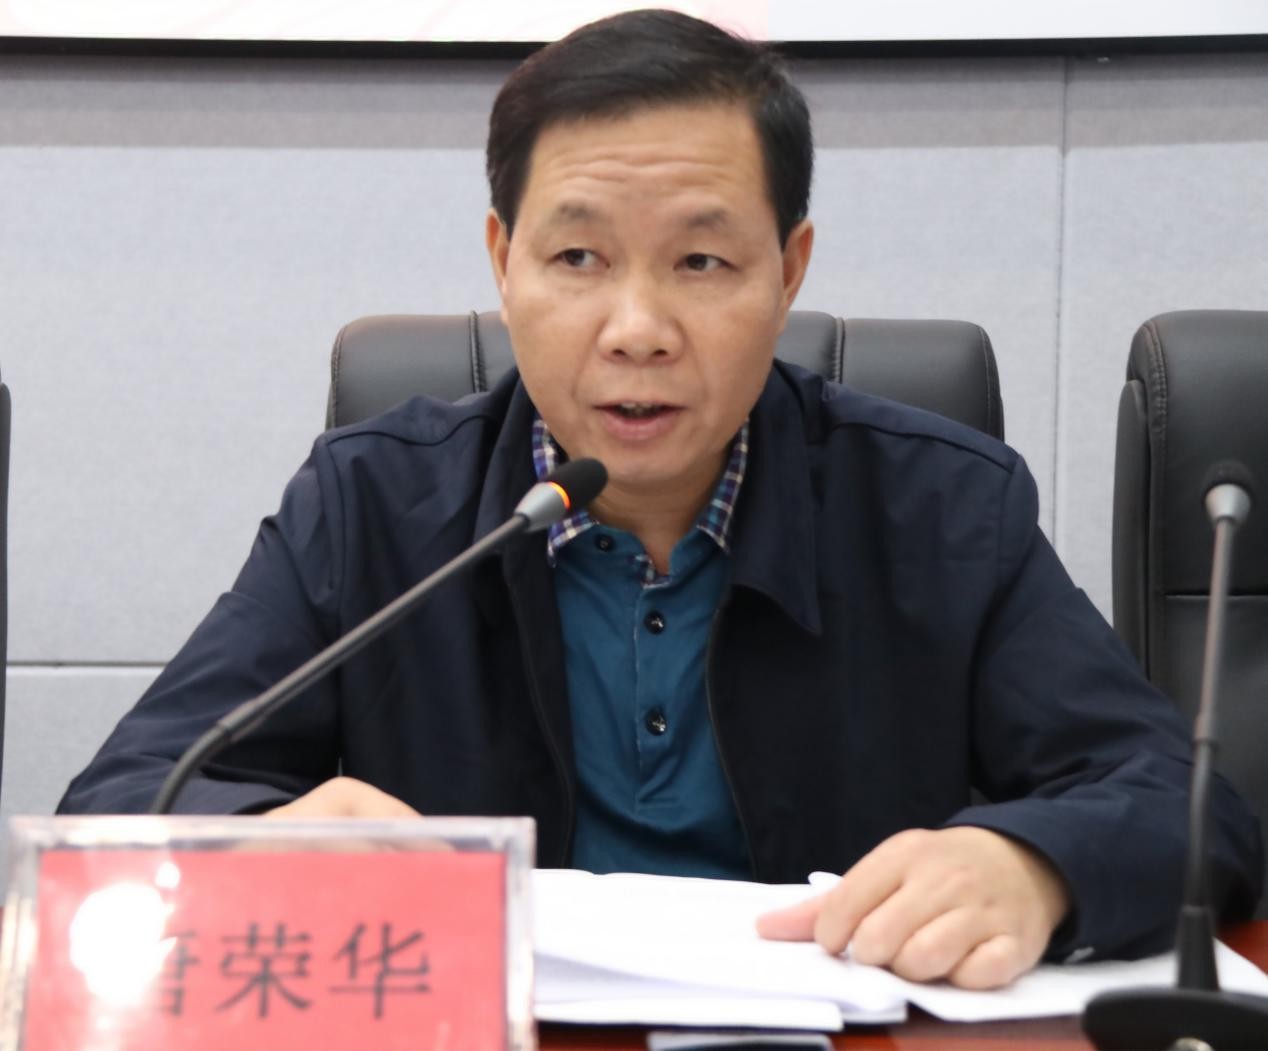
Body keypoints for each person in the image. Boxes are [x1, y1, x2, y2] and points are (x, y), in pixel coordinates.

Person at [60, 9, 1260, 992]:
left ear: (786, 271)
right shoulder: (372, 502)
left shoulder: (942, 508)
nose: (636, 329)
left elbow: (1185, 805)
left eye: (700, 260)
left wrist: (1032, 862)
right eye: (577, 257)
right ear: (503, 263)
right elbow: (124, 798)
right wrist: (251, 846)